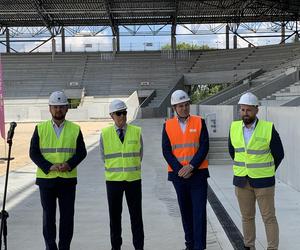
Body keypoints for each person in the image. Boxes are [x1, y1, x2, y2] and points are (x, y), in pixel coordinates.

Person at [29, 91, 87, 250]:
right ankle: (51, 247)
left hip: (67, 180)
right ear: (49, 109)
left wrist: (69, 164)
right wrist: (49, 167)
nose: (58, 110)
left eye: (61, 107)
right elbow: (33, 152)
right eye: (55, 107)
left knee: (67, 218)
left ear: (67, 109)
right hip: (46, 180)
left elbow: (82, 152)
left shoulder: (75, 129)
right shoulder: (40, 129)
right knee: (48, 218)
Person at [228, 92, 284, 250]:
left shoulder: (268, 128)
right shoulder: (234, 128)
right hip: (241, 181)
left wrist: (267, 171)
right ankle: (249, 246)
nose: (245, 113)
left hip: (264, 182)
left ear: (256, 110)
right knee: (246, 217)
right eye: (242, 110)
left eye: (248, 110)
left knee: (269, 218)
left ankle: (272, 248)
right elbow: (233, 152)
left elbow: (279, 154)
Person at [162, 90, 209, 250]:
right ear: (174, 107)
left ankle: (199, 247)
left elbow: (204, 147)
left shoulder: (199, 122)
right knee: (186, 212)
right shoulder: (167, 125)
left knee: (199, 213)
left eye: (186, 105)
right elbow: (166, 151)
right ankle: (190, 245)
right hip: (179, 177)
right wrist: (179, 169)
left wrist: (191, 166)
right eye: (180, 106)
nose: (184, 108)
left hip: (198, 175)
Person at [100, 99, 144, 250]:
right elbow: (103, 156)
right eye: (119, 113)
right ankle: (115, 247)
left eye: (124, 113)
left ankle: (139, 247)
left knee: (136, 217)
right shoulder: (105, 134)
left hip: (133, 180)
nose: (122, 116)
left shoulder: (136, 131)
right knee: (115, 218)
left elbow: (140, 154)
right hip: (113, 182)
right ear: (112, 115)